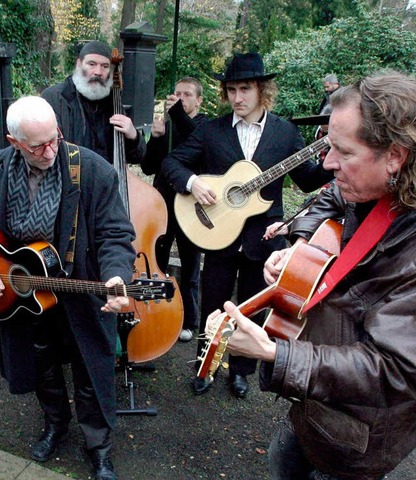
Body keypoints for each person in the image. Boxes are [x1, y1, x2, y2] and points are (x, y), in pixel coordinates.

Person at [211, 71, 416, 480]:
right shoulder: (369, 184)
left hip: (358, 437)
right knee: (282, 461)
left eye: (342, 151)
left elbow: (395, 369)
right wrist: (300, 250)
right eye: (327, 146)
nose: (327, 163)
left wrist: (276, 354)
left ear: (394, 156)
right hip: (313, 401)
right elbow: (329, 197)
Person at [0, 96, 136, 480]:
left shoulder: (92, 171)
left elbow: (116, 233)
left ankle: (98, 447)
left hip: (82, 291)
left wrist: (116, 276)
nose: (49, 151)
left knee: (89, 371)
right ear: (14, 142)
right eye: (37, 145)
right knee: (40, 362)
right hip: (24, 292)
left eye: (54, 139)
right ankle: (55, 423)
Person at [162, 52, 333, 399]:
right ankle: (205, 364)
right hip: (217, 232)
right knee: (213, 302)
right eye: (231, 90)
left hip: (264, 237)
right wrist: (193, 182)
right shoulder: (211, 130)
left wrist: (332, 157)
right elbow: (171, 162)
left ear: (262, 90)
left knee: (253, 306)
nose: (237, 98)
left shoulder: (285, 133)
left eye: (245, 89)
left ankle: (240, 371)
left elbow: (307, 180)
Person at [141, 77, 206, 342]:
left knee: (191, 267)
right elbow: (148, 167)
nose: (180, 98)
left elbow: (194, 138)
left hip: (190, 205)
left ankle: (189, 321)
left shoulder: (204, 127)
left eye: (187, 94)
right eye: (177, 93)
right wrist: (156, 139)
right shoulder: (167, 125)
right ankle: (156, 313)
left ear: (199, 100)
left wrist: (175, 113)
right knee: (158, 261)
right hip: (163, 204)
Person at [40, 40, 146, 165]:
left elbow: (137, 157)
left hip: (106, 180)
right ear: (79, 64)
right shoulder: (54, 98)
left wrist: (133, 136)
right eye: (92, 64)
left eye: (105, 66)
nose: (98, 72)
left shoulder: (113, 102)